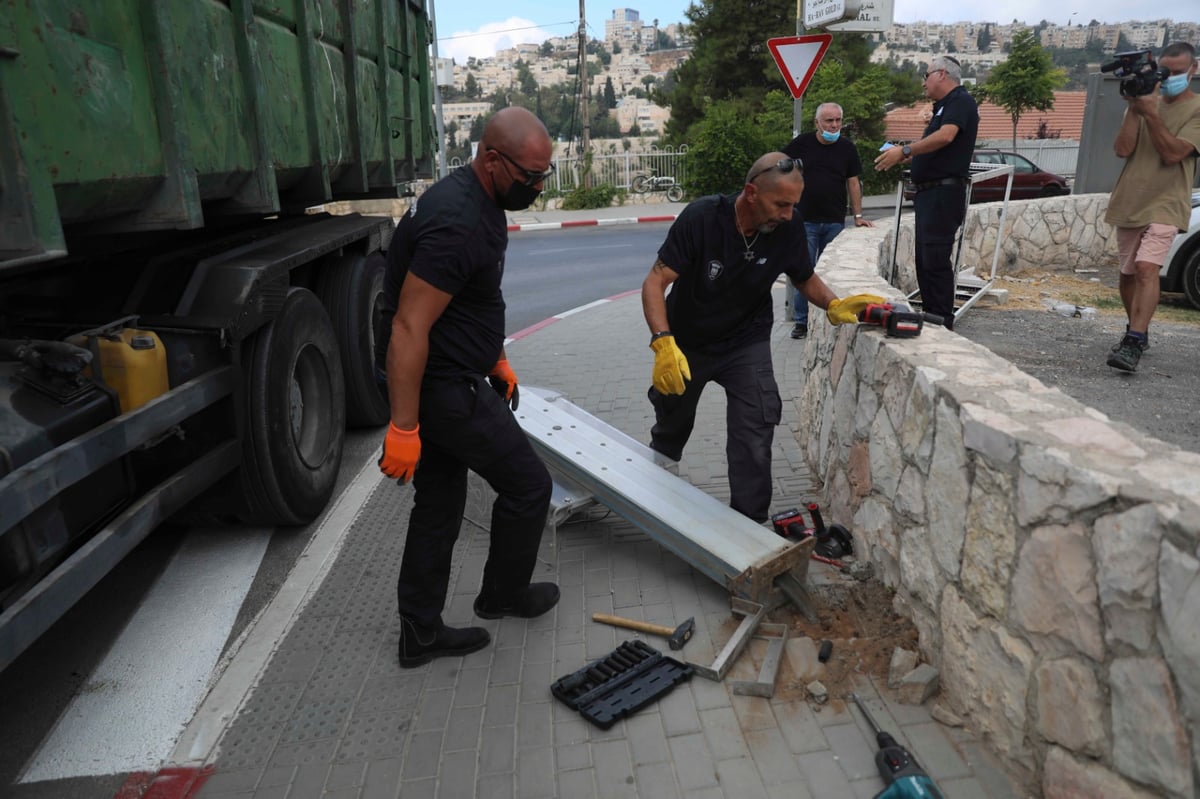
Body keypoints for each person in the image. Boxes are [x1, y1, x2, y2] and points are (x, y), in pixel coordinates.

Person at [376, 107, 559, 668]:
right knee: (529, 487)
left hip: (458, 373)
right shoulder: (458, 222)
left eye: (543, 177)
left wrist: (496, 358)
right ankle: (502, 596)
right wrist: (404, 426)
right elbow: (409, 326)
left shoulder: (482, 200)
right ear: (491, 159)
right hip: (444, 387)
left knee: (440, 501)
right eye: (529, 178)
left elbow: (473, 301)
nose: (535, 188)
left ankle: (420, 631)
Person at [640, 152, 883, 523]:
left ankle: (748, 526)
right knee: (673, 423)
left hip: (745, 341)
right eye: (781, 204)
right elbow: (656, 281)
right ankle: (657, 485)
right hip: (686, 342)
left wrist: (833, 304)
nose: (788, 214)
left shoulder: (788, 226)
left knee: (755, 430)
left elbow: (803, 276)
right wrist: (662, 341)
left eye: (793, 205)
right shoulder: (703, 218)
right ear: (751, 192)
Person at [1103, 42, 1200, 372]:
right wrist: (1134, 109)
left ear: (1193, 69)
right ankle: (1137, 332)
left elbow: (1174, 154)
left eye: (1176, 72)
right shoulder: (1142, 104)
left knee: (1147, 268)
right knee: (1128, 274)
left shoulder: (1197, 109)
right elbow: (1122, 149)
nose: (1169, 78)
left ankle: (1132, 341)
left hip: (1168, 201)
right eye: (1164, 71)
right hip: (1131, 198)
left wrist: (1152, 114)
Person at [874, 55, 979, 329]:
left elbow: (946, 136)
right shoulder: (943, 106)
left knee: (934, 261)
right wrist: (905, 155)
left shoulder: (960, 101)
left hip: (943, 196)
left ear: (942, 74)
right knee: (925, 261)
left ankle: (942, 322)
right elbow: (937, 146)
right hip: (930, 195)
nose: (923, 83)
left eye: (926, 75)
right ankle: (932, 317)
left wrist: (906, 150)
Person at [783, 102, 874, 340]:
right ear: (817, 123)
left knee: (830, 273)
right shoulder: (800, 145)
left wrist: (858, 215)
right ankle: (802, 322)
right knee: (804, 272)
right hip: (804, 221)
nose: (834, 125)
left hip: (834, 221)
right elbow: (780, 171)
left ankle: (829, 317)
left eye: (838, 121)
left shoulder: (847, 148)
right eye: (829, 121)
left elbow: (853, 182)